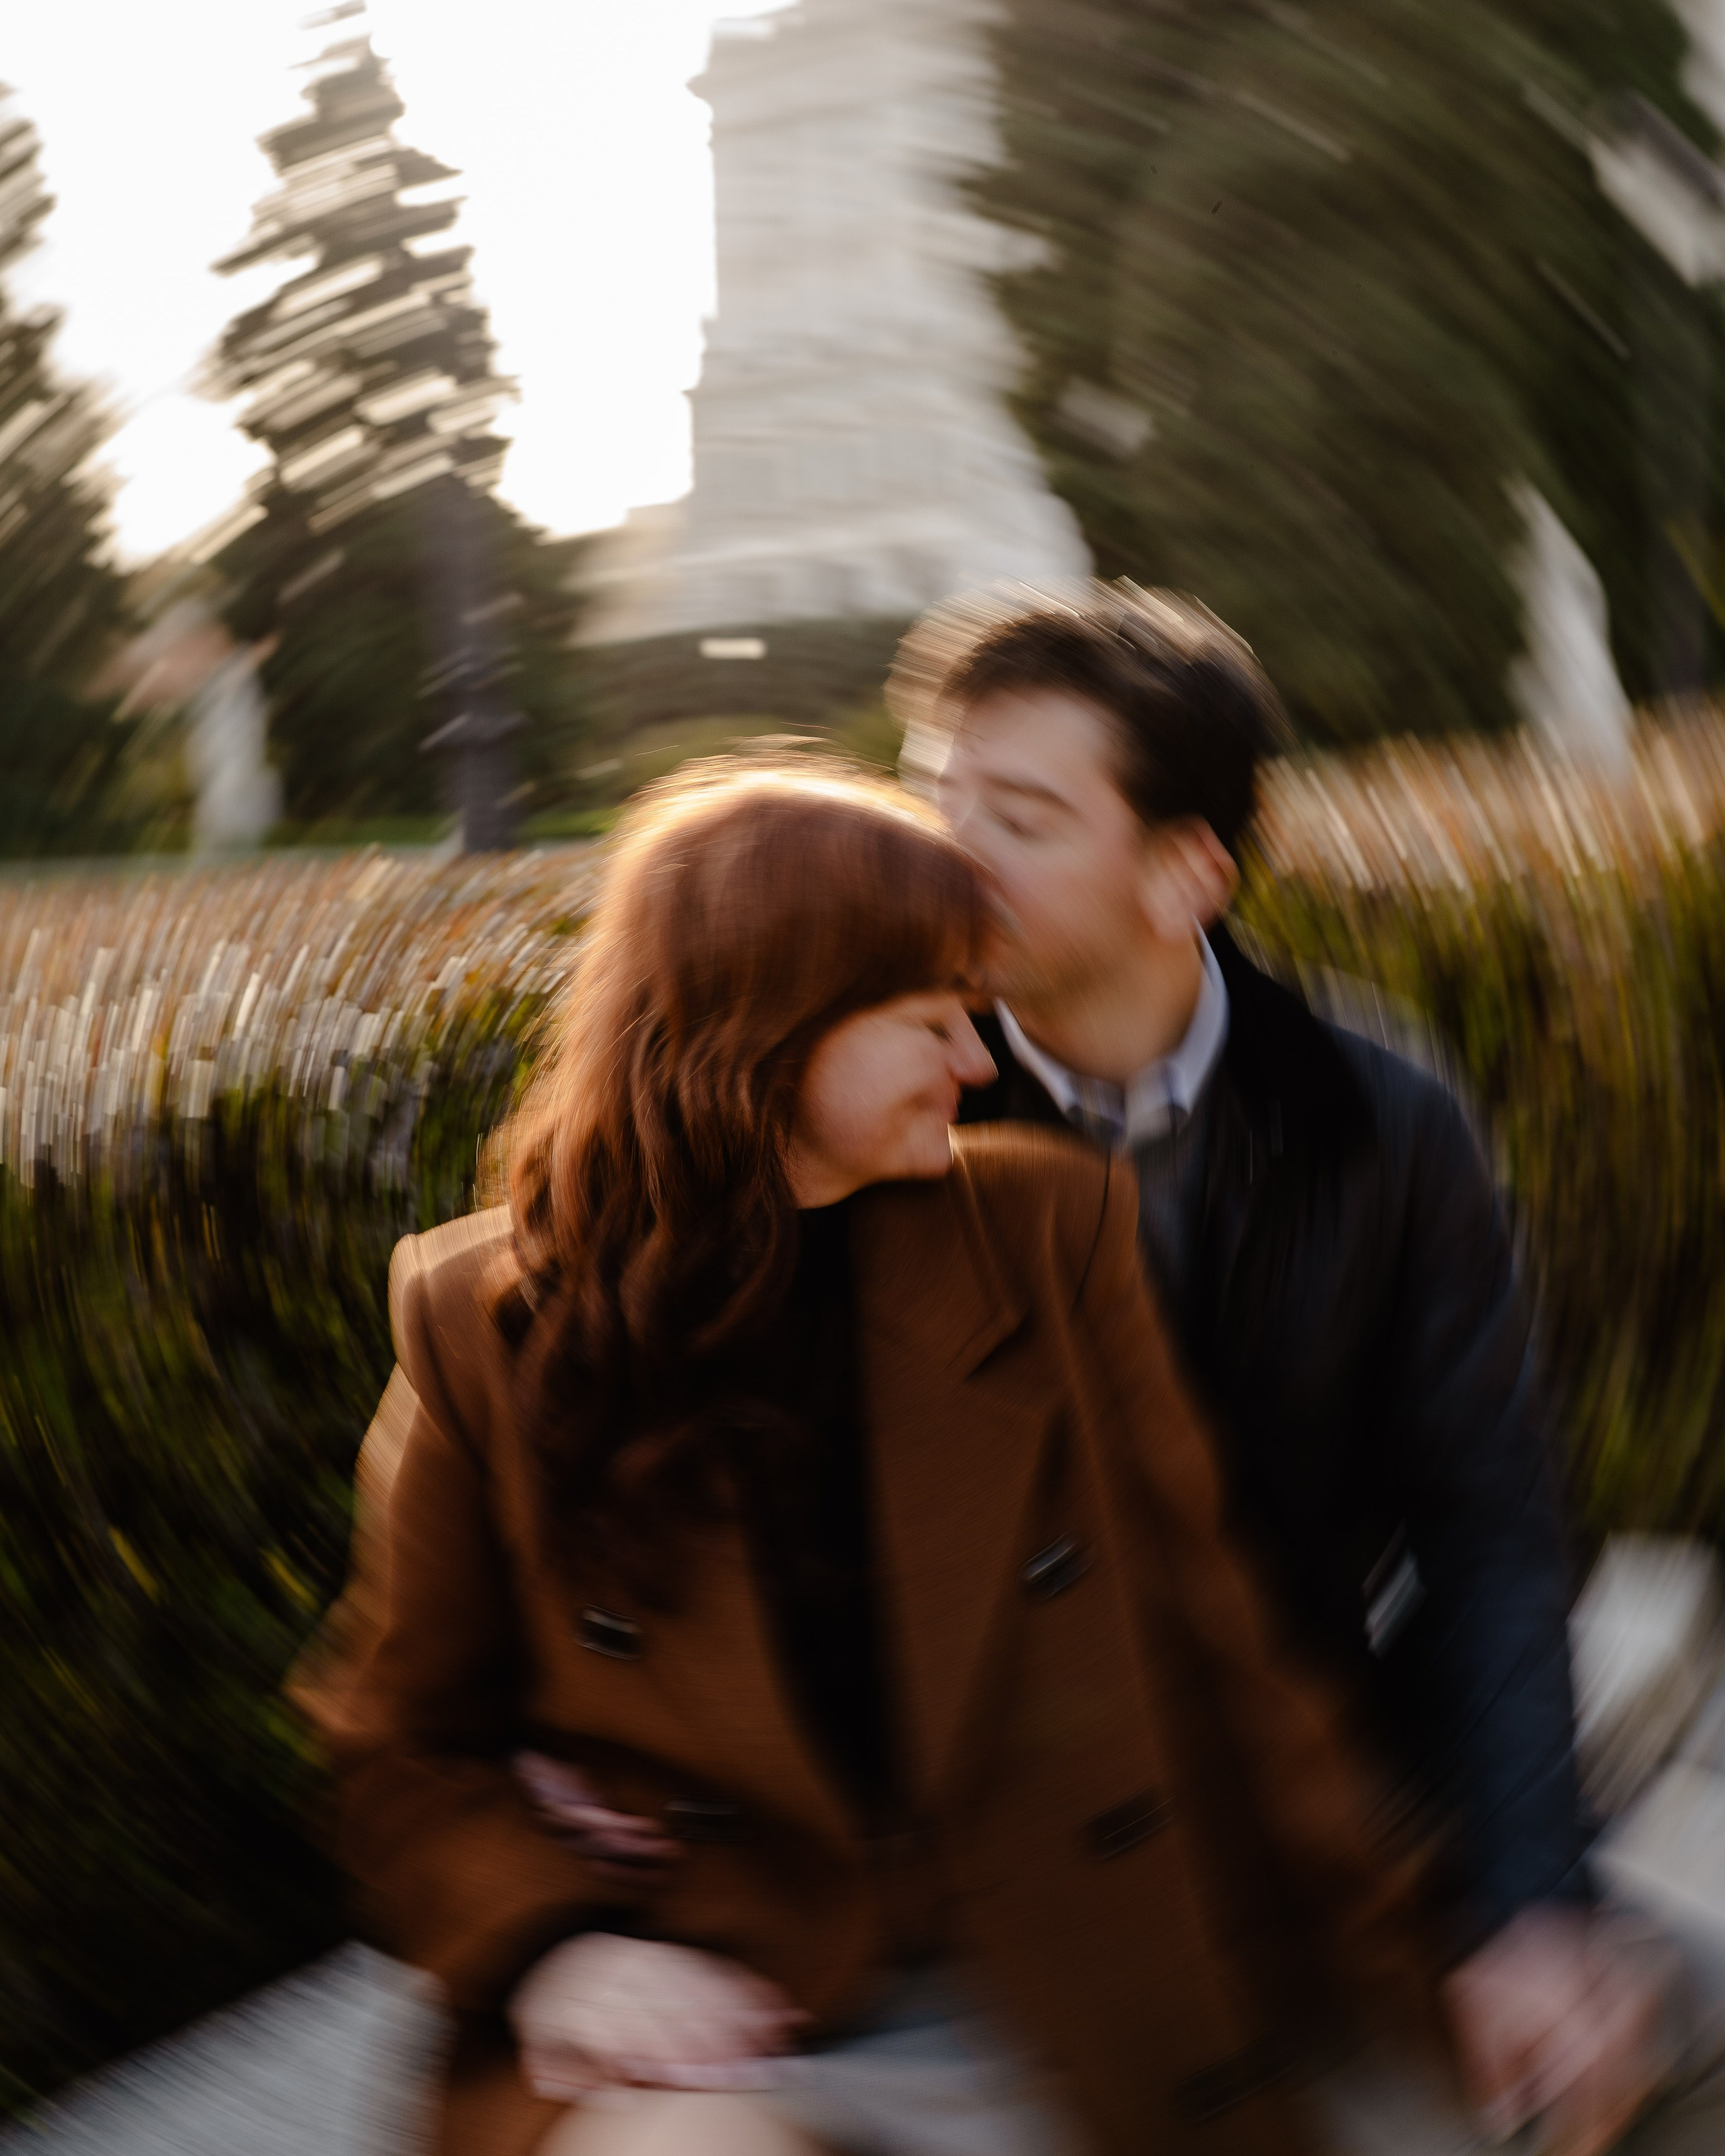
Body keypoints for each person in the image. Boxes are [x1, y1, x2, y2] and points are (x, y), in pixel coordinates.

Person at [297, 761, 1435, 2156]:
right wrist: (556, 1948)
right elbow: (398, 1742)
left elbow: (1224, 1637)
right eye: (933, 1020)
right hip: (715, 2023)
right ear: (767, 1034)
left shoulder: (1042, 1233)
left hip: (1055, 1981)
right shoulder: (485, 1324)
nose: (980, 1063)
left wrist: (1431, 1950)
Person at [892, 579, 1704, 2156]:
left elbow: (1488, 1530)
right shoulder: (892, 1117)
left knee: (1657, 2009)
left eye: (1020, 814)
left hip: (1319, 1781)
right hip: (998, 1852)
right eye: (937, 797)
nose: (945, 847)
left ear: (1184, 872)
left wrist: (1527, 1899)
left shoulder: (1380, 1115)